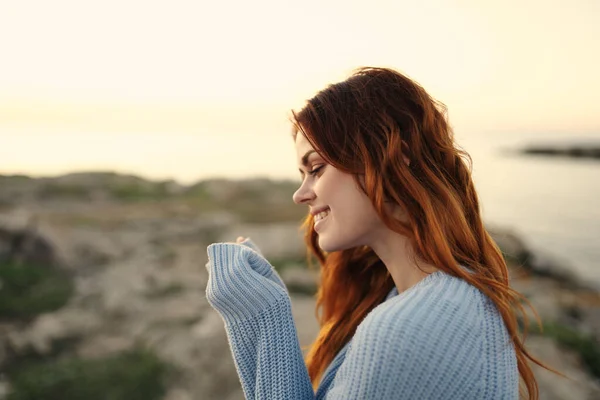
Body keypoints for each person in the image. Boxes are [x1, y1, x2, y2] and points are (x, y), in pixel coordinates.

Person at [204, 67, 559, 399]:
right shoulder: (440, 294)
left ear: (394, 157)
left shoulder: (406, 328)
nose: (301, 194)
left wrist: (264, 316)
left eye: (316, 168)